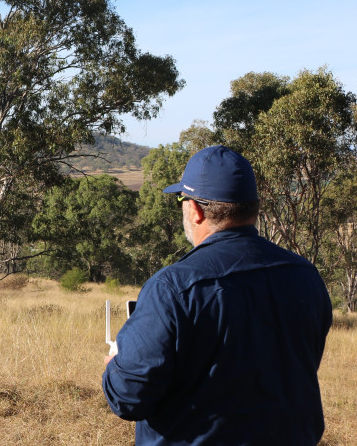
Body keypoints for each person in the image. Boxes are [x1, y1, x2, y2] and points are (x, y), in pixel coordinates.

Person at [102, 145, 332, 445]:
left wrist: (115, 366)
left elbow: (128, 399)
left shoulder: (172, 288)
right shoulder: (306, 275)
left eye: (182, 199)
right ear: (252, 207)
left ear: (195, 210)